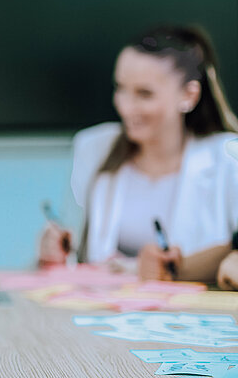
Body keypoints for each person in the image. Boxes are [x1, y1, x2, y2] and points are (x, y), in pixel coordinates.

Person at [40, 26, 238, 268]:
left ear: (189, 96)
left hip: (194, 305)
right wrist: (55, 253)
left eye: (144, 94)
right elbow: (75, 254)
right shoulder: (93, 148)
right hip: (103, 303)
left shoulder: (228, 159)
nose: (126, 107)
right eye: (120, 88)